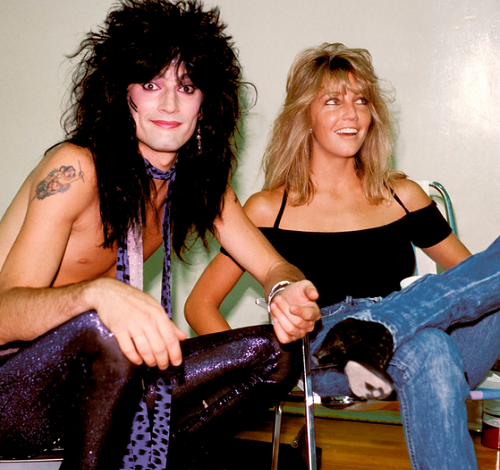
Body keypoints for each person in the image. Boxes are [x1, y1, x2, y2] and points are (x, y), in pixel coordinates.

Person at [0, 1, 321, 469]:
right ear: (119, 91)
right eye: (151, 84)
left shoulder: (197, 181)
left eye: (186, 87)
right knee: (108, 327)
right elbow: (3, 311)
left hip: (101, 388)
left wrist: (286, 289)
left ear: (206, 102)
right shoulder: (75, 169)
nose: (169, 104)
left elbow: (273, 265)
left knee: (276, 354)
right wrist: (96, 295)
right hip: (14, 392)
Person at [185, 43, 485, 469]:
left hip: (418, 334)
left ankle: (388, 326)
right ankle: (378, 333)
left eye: (361, 101)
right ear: (304, 116)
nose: (352, 114)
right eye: (333, 101)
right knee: (433, 346)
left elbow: (473, 283)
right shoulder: (270, 209)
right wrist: (252, 374)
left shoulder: (403, 196)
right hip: (328, 355)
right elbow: (200, 304)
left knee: (477, 291)